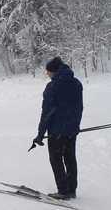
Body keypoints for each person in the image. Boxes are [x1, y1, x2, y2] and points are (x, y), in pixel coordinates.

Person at [33, 56, 83, 200]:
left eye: (48, 72)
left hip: (57, 131)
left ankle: (63, 191)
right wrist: (75, 126)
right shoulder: (76, 84)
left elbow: (46, 113)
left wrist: (40, 133)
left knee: (56, 159)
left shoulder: (53, 87)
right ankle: (71, 189)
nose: (47, 75)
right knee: (70, 158)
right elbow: (80, 108)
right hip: (71, 130)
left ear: (54, 71)